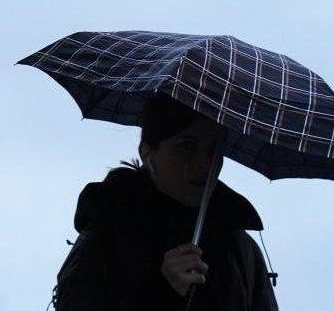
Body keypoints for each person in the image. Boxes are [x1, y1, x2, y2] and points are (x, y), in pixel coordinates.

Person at [51, 94, 279, 311]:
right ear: (148, 153)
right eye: (186, 147)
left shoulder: (240, 250)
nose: (204, 164)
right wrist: (162, 292)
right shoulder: (108, 233)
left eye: (213, 149)